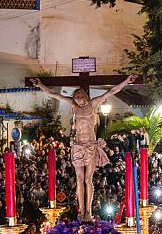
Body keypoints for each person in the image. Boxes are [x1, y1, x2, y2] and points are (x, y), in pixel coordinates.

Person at [31, 76, 137, 220]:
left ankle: (88, 211)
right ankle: (81, 210)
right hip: (78, 146)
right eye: (76, 99)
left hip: (90, 146)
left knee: (88, 179)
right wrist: (40, 85)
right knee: (79, 179)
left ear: (85, 96)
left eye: (81, 98)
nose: (79, 101)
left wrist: (126, 81)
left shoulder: (93, 104)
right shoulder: (73, 105)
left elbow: (111, 91)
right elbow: (54, 94)